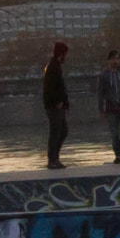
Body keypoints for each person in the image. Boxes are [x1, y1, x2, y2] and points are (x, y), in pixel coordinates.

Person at [43, 41, 71, 169]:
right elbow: (50, 88)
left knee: (62, 131)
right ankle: (52, 159)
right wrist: (57, 101)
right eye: (66, 54)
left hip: (58, 105)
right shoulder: (53, 67)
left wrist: (65, 102)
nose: (67, 57)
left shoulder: (56, 66)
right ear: (62, 54)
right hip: (54, 106)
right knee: (56, 132)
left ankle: (55, 157)